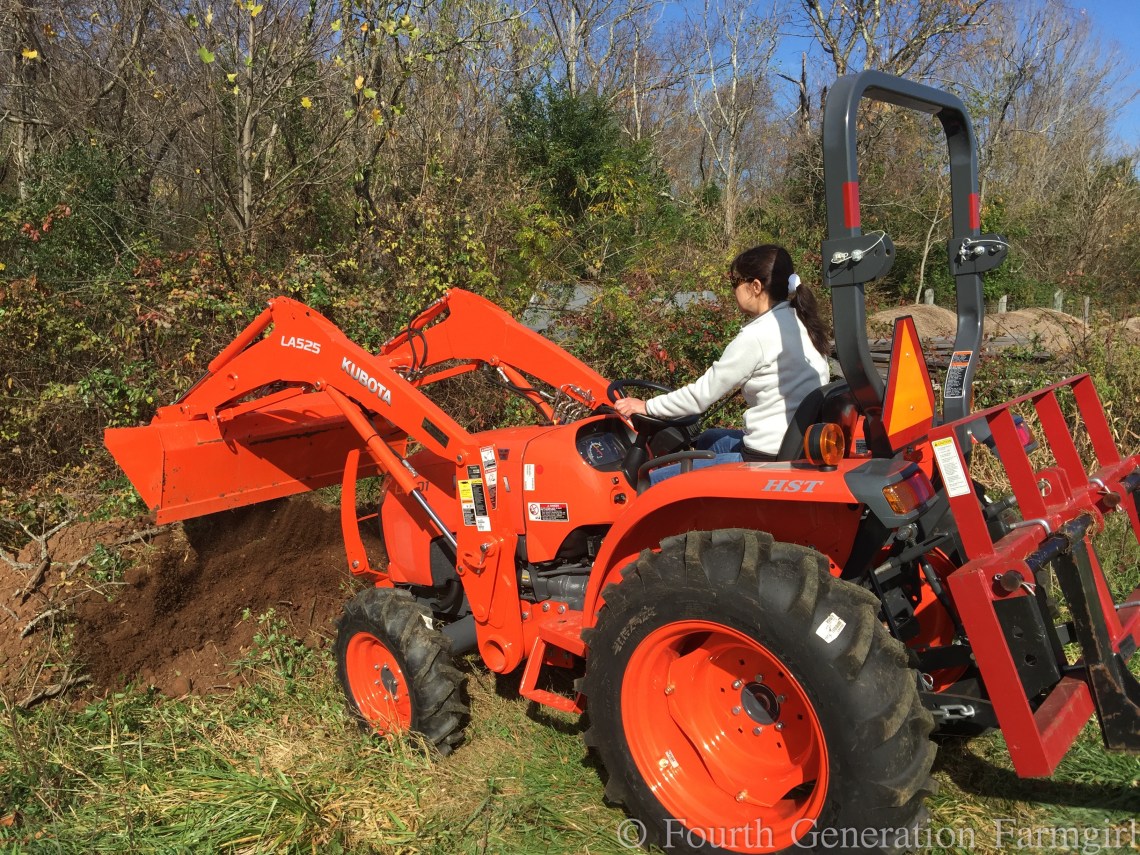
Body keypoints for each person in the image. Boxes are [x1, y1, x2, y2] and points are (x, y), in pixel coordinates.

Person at [613, 244, 830, 480]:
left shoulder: (757, 336)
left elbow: (700, 397)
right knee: (709, 439)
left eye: (735, 282)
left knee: (651, 480)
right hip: (793, 445)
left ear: (756, 286)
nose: (733, 289)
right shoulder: (801, 321)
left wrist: (646, 406)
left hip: (765, 459)